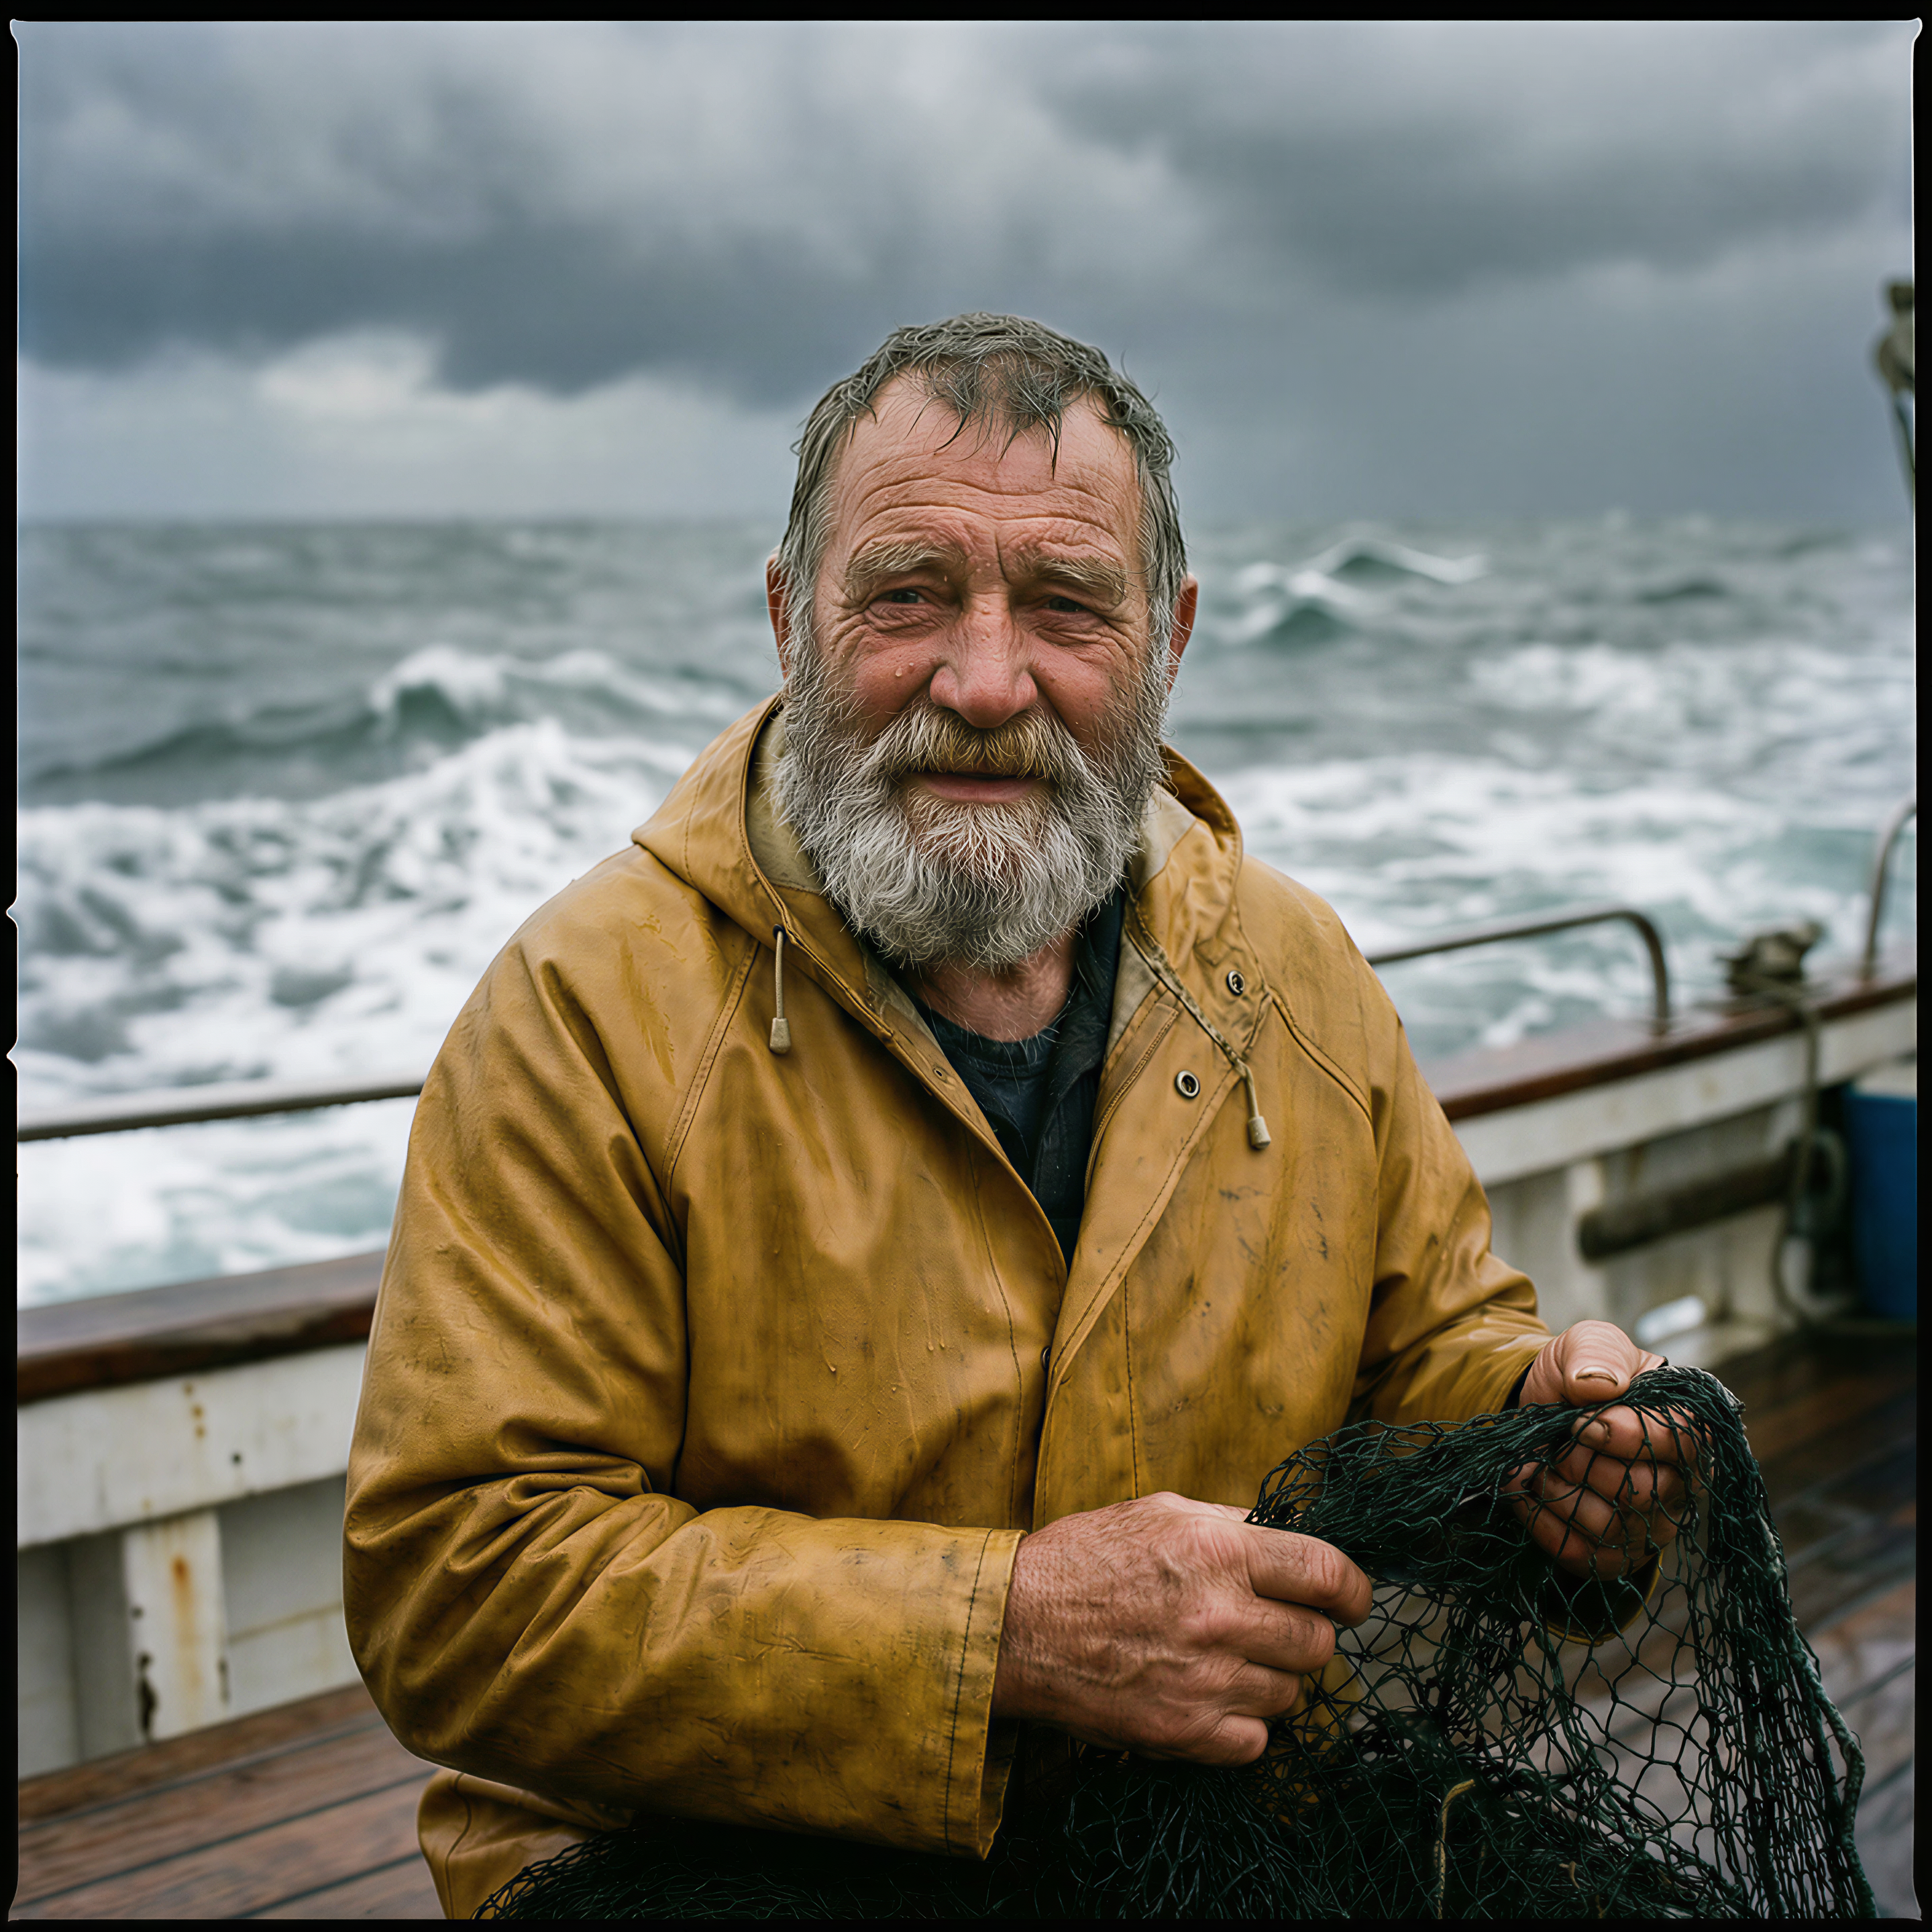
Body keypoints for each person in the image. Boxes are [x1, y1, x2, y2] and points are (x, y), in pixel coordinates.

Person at [344, 313, 1686, 1919]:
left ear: (1169, 639)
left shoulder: (1299, 978)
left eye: (1065, 607)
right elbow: (460, 1588)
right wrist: (1009, 1631)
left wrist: (1544, 1432)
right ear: (789, 618)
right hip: (692, 1853)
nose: (986, 684)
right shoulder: (581, 1009)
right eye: (907, 596)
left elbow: (1428, 1358)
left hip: (1205, 1823)